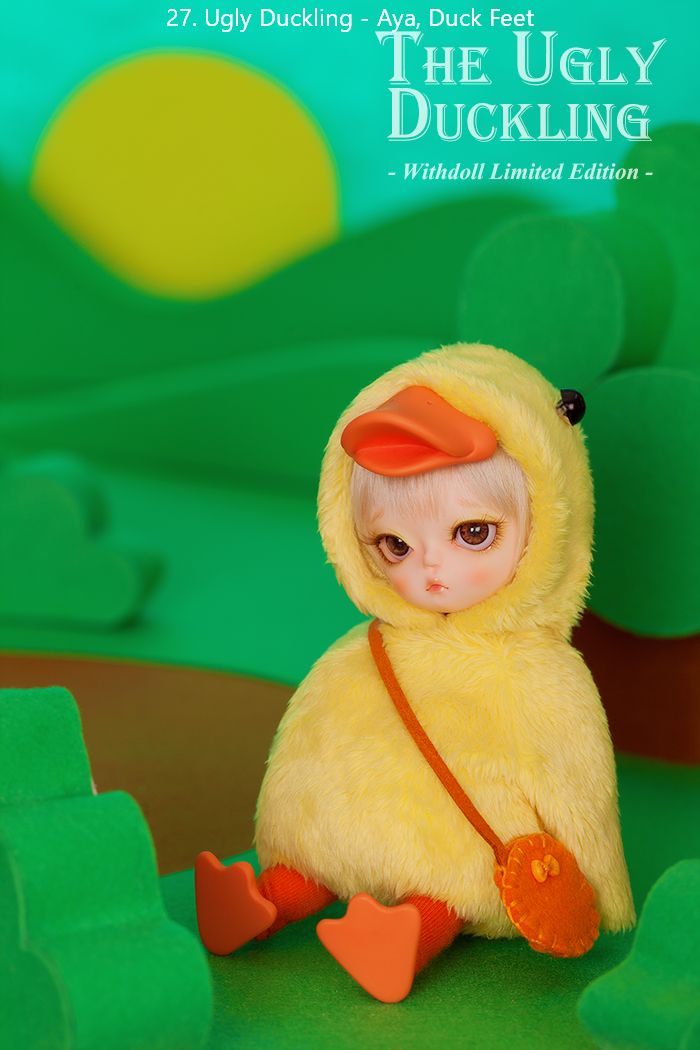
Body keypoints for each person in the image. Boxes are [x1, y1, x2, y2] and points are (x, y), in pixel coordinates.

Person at [195, 343, 635, 1002]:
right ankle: (269, 898)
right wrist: (295, 820)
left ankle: (409, 935)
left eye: (473, 533)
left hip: (454, 859)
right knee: (314, 861)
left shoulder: (538, 671)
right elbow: (313, 738)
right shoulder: (370, 645)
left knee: (445, 886)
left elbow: (577, 785)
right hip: (344, 830)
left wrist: (600, 886)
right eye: (395, 545)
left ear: (549, 519)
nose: (431, 571)